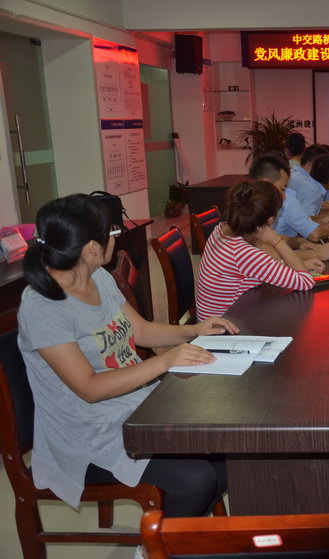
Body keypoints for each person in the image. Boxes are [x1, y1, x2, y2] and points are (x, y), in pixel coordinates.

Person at [17, 194, 235, 530]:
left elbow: (142, 331)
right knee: (195, 479)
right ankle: (154, 549)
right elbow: (89, 388)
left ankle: (180, 542)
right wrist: (166, 362)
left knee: (228, 454)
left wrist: (194, 330)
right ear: (91, 248)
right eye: (112, 234)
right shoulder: (43, 307)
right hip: (86, 433)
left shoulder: (97, 277)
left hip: (133, 410)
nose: (115, 241)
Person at [196, 179, 323, 320]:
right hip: (223, 326)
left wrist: (299, 265)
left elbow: (262, 268)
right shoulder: (245, 254)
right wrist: (276, 240)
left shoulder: (221, 230)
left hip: (211, 319)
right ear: (270, 220)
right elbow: (306, 282)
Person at [248, 153, 329, 245]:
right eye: (283, 188)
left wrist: (319, 220)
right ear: (267, 184)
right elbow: (314, 234)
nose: (284, 195)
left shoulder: (246, 200)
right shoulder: (286, 201)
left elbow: (270, 238)